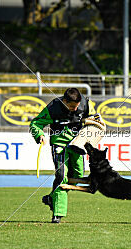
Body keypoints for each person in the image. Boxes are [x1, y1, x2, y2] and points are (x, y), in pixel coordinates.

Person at [30, 88, 94, 223]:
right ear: (64, 101)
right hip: (59, 145)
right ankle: (57, 213)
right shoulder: (53, 107)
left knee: (76, 177)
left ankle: (51, 198)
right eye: (72, 106)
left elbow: (95, 119)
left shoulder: (86, 103)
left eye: (77, 106)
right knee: (61, 176)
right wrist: (39, 134)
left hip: (77, 145)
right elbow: (36, 123)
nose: (75, 109)